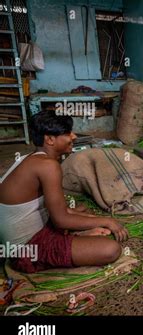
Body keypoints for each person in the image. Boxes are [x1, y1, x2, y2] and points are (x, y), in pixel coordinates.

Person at [0, 111, 128, 273]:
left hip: (31, 231)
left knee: (80, 210)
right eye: (67, 133)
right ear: (50, 139)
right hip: (25, 251)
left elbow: (60, 211)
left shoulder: (30, 158)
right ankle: (71, 238)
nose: (74, 136)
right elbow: (61, 220)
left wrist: (99, 219)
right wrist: (108, 222)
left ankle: (74, 236)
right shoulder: (48, 166)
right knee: (111, 249)